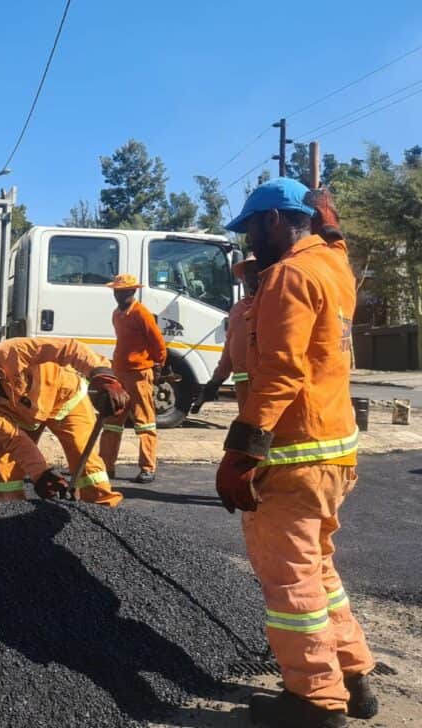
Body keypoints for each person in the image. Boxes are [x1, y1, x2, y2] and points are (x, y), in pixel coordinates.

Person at [216, 178, 377, 728]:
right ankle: (352, 674)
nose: (249, 243)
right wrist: (332, 227)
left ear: (274, 221)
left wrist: (240, 455)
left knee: (290, 583)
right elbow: (336, 244)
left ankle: (315, 699)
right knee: (318, 569)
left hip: (293, 456)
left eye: (252, 230)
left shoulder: (288, 275)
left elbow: (280, 373)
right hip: (334, 454)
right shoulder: (334, 265)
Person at [0, 337, 128, 506]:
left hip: (66, 399)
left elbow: (69, 348)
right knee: (0, 459)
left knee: (82, 454)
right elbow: (13, 438)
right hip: (25, 417)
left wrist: (102, 375)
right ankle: (11, 510)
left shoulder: (13, 352)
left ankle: (102, 506)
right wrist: (41, 475)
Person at [98, 274, 167, 484]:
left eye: (122, 291)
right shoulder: (117, 314)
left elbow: (158, 342)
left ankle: (147, 467)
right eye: (116, 291)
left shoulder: (141, 313)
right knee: (112, 421)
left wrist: (158, 364)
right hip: (120, 372)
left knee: (144, 422)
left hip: (139, 374)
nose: (117, 295)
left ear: (132, 291)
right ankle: (106, 466)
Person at [192, 254, 259, 414]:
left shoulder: (275, 305)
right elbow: (229, 350)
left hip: (267, 386)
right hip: (244, 387)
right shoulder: (237, 309)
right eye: (248, 272)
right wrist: (214, 382)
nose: (252, 277)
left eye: (257, 271)